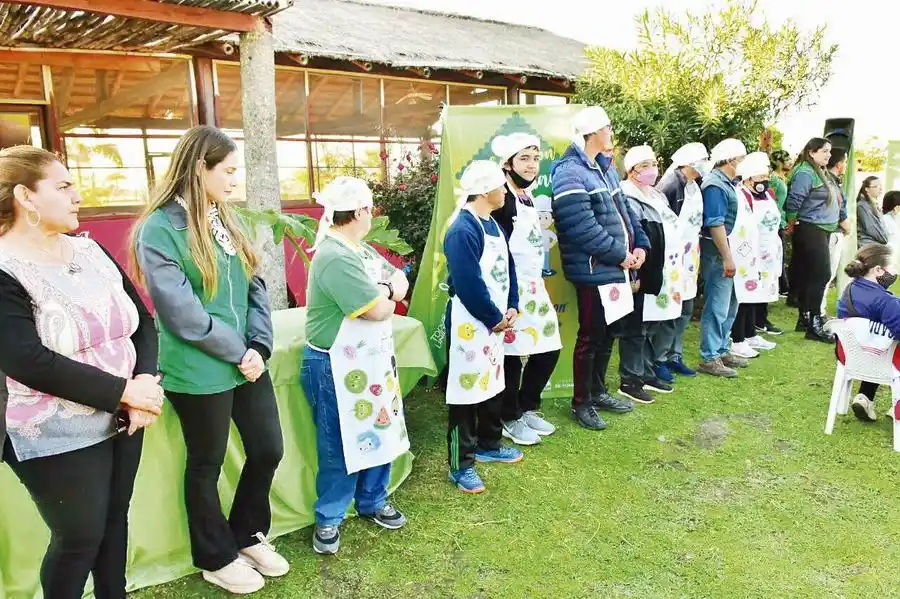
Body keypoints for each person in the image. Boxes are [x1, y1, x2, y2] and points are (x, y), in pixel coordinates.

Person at [0, 146, 162, 599]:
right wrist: (126, 393)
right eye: (64, 186)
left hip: (126, 412)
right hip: (52, 427)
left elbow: (141, 322)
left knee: (115, 519)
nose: (78, 195)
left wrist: (145, 384)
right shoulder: (5, 269)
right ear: (25, 197)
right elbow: (26, 359)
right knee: (79, 538)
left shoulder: (90, 249)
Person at [131, 126, 286, 594]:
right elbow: (182, 315)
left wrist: (257, 347)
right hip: (197, 367)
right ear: (201, 168)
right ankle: (214, 556)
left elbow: (256, 287)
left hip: (245, 362)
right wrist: (239, 351)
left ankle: (245, 534)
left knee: (267, 448)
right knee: (207, 463)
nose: (235, 181)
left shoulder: (227, 218)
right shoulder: (159, 228)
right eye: (229, 171)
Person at [300, 177, 410, 556]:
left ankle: (372, 499)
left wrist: (387, 291)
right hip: (334, 363)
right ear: (361, 211)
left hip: (371, 360)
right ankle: (329, 515)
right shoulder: (334, 255)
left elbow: (399, 279)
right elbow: (379, 308)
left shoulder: (358, 249)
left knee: (380, 425)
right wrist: (388, 294)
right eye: (370, 208)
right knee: (338, 443)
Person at [551, 106, 648, 430]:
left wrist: (640, 245)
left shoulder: (604, 169)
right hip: (594, 270)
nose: (611, 132)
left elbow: (627, 214)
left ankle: (598, 391)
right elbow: (581, 228)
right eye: (607, 127)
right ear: (591, 133)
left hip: (615, 268)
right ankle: (581, 403)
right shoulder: (569, 172)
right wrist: (620, 254)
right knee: (591, 337)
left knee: (608, 335)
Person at [444, 160, 524, 494]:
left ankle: (490, 443)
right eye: (500, 187)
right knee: (465, 393)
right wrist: (494, 318)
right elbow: (467, 282)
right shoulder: (463, 229)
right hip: (471, 323)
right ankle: (460, 464)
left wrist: (513, 304)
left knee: (492, 384)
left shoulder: (493, 225)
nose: (505, 191)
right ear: (485, 190)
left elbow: (509, 269)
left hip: (494, 323)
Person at [489, 133, 561, 446]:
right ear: (507, 164)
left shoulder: (527, 197)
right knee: (511, 354)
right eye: (524, 159)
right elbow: (494, 248)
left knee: (548, 348)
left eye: (535, 158)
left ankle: (527, 405)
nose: (532, 165)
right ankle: (509, 416)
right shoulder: (501, 199)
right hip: (510, 287)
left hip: (535, 285)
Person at [618, 145, 678, 404]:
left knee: (652, 324)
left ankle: (646, 371)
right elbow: (634, 234)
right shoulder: (627, 196)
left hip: (663, 270)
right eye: (646, 166)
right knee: (636, 327)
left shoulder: (656, 194)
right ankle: (630, 379)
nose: (653, 170)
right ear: (632, 171)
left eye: (654, 163)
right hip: (641, 270)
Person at [785, 137, 849, 343]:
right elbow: (794, 201)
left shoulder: (817, 171)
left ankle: (805, 318)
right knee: (821, 275)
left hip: (820, 229)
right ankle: (813, 323)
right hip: (811, 229)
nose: (829, 155)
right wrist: (791, 223)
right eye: (824, 151)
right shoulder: (805, 172)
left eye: (830, 152)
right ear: (812, 152)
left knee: (811, 275)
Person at [655, 141, 710, 378]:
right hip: (672, 256)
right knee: (671, 309)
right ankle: (659, 359)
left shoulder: (693, 185)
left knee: (686, 306)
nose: (706, 165)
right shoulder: (671, 184)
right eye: (702, 160)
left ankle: (675, 354)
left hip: (690, 255)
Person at [696, 138, 748, 377]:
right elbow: (715, 223)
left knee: (731, 301)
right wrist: (727, 256)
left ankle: (721, 348)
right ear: (729, 160)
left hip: (728, 250)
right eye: (741, 159)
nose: (744, 163)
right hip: (717, 252)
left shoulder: (727, 182)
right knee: (717, 303)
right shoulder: (715, 185)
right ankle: (710, 356)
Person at [837, 243, 900, 421]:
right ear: (879, 270)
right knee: (887, 346)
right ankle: (897, 404)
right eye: (893, 267)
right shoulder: (887, 301)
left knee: (876, 342)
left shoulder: (849, 289)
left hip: (849, 354)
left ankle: (865, 397)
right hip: (878, 357)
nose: (895, 272)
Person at [729, 152, 782, 359]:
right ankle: (737, 338)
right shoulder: (741, 194)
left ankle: (751, 334)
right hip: (748, 255)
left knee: (757, 295)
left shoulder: (767, 195)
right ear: (748, 178)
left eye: (765, 176)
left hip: (767, 253)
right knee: (744, 295)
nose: (763, 181)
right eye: (759, 177)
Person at [822, 149, 853, 320]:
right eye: (845, 162)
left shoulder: (830, 181)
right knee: (827, 274)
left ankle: (819, 311)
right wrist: (848, 228)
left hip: (831, 232)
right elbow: (840, 210)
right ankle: (819, 312)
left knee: (827, 274)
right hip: (833, 233)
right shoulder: (831, 183)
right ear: (840, 164)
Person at [769, 149, 792, 299]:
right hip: (776, 222)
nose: (791, 161)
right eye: (787, 159)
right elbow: (773, 201)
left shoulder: (782, 178)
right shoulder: (775, 180)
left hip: (782, 220)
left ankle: (783, 286)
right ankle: (781, 286)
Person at [857, 176, 888, 248]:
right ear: (867, 189)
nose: (880, 188)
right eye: (876, 186)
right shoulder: (862, 205)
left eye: (880, 185)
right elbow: (871, 228)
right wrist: (884, 239)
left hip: (874, 246)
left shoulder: (874, 204)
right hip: (867, 246)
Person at [882, 191, 900, 271]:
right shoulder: (886, 220)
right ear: (896, 207)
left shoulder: (893, 220)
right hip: (885, 262)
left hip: (890, 261)